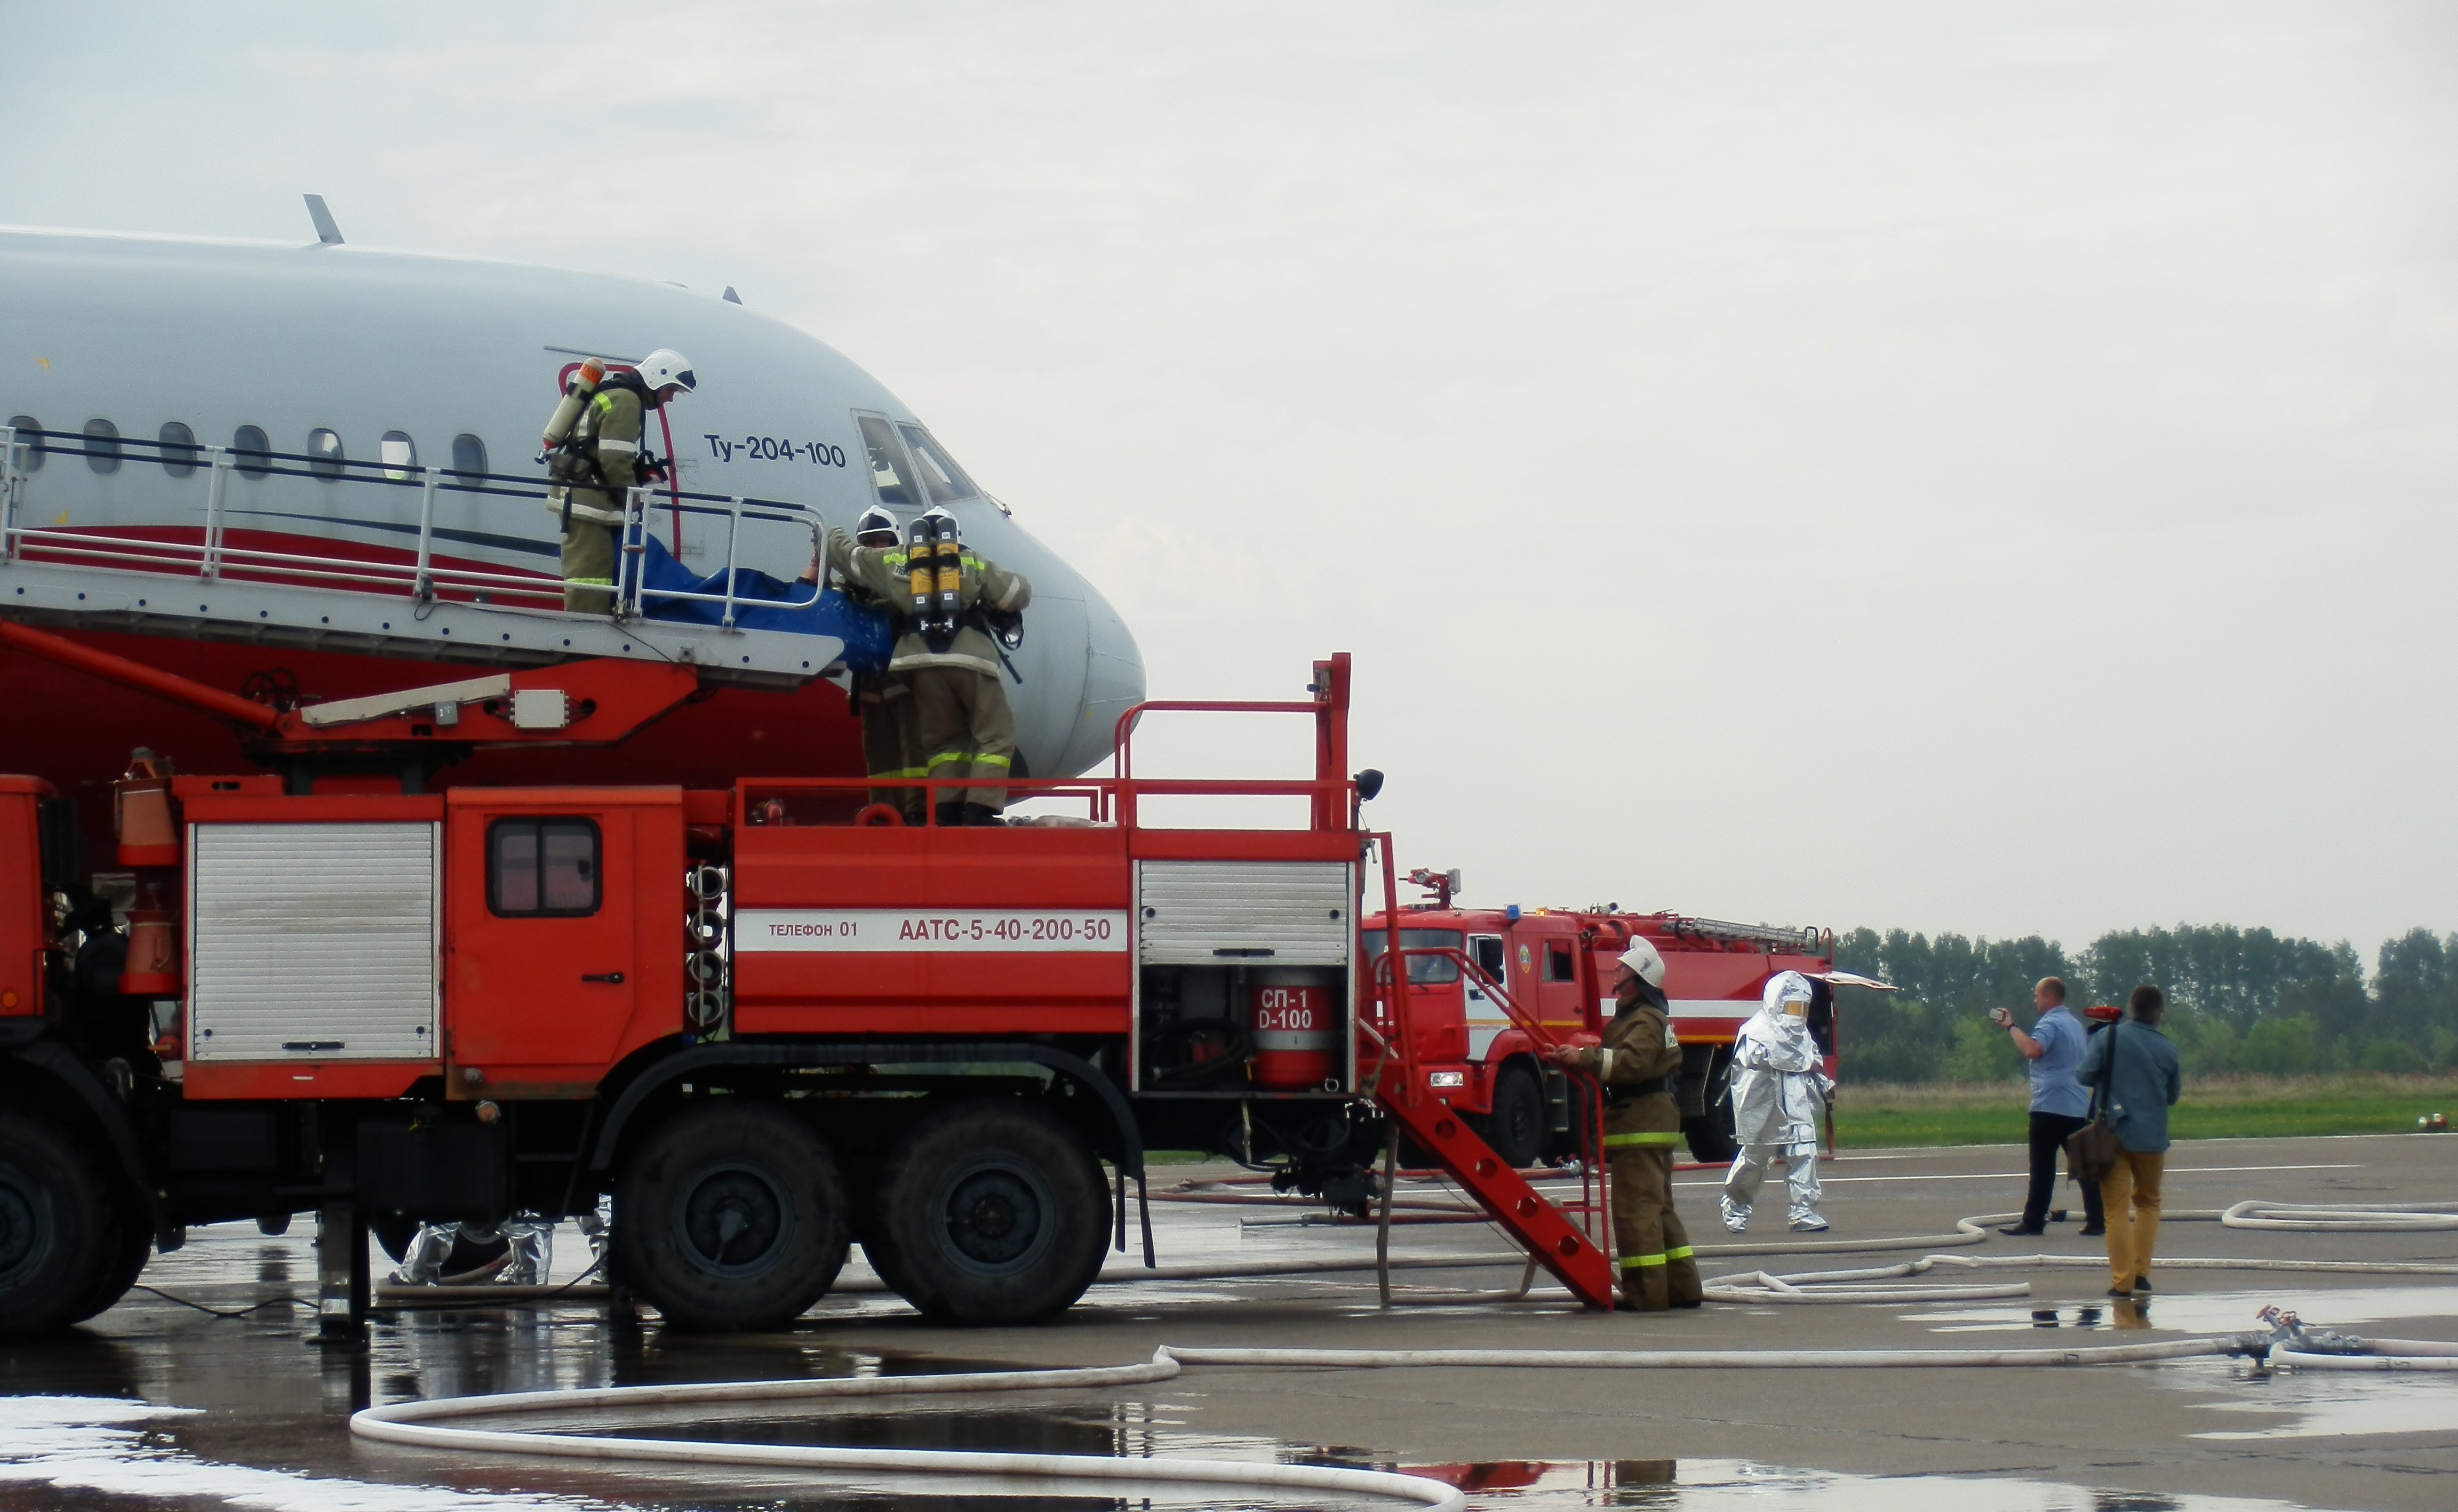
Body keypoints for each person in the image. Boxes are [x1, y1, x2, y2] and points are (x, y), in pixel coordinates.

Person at [819, 505, 1030, 825]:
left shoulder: (894, 561)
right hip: (968, 658)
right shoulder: (969, 559)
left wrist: (828, 532)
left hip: (916, 662)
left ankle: (944, 810)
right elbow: (1016, 593)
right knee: (995, 735)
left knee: (942, 743)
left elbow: (847, 557)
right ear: (954, 536)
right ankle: (980, 810)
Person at [1546, 941, 1704, 1311]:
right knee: (1659, 1209)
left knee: (1636, 1212)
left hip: (1640, 1124)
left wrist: (1584, 1057)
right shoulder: (1640, 1016)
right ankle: (1682, 1287)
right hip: (1647, 1121)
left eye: (1622, 969)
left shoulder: (1645, 1020)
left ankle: (1647, 1294)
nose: (1615, 973)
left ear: (1638, 978)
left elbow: (1631, 1063)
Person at [542, 349, 696, 613]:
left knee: (597, 569)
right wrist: (632, 497)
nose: (670, 398)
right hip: (587, 501)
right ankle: (583, 631)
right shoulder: (627, 402)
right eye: (671, 390)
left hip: (585, 496)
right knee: (590, 573)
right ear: (656, 380)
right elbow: (614, 459)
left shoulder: (618, 394)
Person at [818, 505, 927, 822]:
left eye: (883, 541)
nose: (877, 548)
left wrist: (831, 539)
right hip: (870, 681)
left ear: (895, 541)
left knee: (913, 747)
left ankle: (917, 809)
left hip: (905, 676)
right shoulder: (854, 586)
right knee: (879, 753)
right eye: (870, 542)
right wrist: (820, 569)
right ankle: (884, 810)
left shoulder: (906, 573)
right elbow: (828, 605)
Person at [2074, 984, 2183, 1300]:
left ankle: (2122, 1282)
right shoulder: (2168, 1049)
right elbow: (2173, 1097)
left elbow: (2083, 1076)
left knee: (2115, 1210)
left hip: (2114, 1135)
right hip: (2152, 1139)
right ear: (2159, 1015)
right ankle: (2141, 1272)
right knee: (2148, 1203)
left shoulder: (2109, 1037)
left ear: (2130, 1007)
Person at [1990, 976, 2106, 1237]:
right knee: (2084, 1167)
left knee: (2043, 1169)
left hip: (2050, 1105)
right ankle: (2098, 1219)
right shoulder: (2075, 1025)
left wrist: (2011, 1027)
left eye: (2037, 995)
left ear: (2049, 997)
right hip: (2076, 1104)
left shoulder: (2051, 1023)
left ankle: (2033, 1221)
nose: (2035, 1000)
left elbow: (2033, 1049)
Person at [1719, 971, 1834, 1234]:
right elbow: (1751, 1060)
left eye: (1802, 1007)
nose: (1797, 1013)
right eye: (1792, 1006)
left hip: (1796, 1105)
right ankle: (1735, 1206)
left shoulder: (1803, 1037)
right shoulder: (1755, 1031)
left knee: (1805, 1154)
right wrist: (1785, 1058)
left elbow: (1813, 1063)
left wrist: (1824, 1085)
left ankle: (1804, 1211)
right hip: (1766, 1109)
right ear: (1776, 1002)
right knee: (1754, 1162)